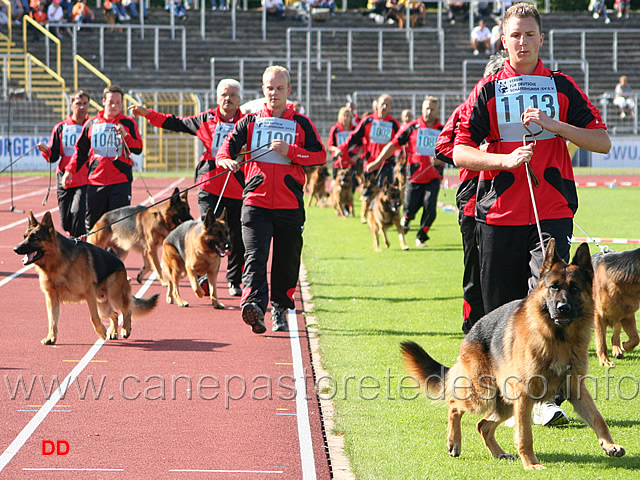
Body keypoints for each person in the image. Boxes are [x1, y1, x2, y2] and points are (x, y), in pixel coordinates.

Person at [452, 2, 610, 426]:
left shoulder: (561, 86)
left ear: (542, 39)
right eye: (514, 35)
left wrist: (556, 126)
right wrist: (503, 162)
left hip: (551, 212)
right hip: (499, 214)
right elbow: (458, 149)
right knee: (501, 308)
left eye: (529, 34)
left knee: (556, 299)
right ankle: (508, 390)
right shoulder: (487, 88)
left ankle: (547, 399)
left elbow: (602, 142)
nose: (522, 41)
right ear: (502, 41)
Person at [216, 66, 326, 334]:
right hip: (256, 202)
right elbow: (224, 150)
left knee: (286, 261)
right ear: (263, 89)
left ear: (289, 90)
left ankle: (280, 308)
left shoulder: (302, 123)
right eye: (269, 88)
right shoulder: (250, 121)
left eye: (279, 88)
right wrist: (226, 161)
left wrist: (292, 152)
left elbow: (320, 156)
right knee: (254, 256)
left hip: (290, 205)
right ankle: (253, 306)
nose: (274, 93)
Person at [130, 79, 246, 298]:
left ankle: (234, 279)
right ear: (217, 97)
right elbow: (175, 122)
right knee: (205, 230)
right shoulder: (205, 119)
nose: (227, 99)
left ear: (239, 99)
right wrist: (147, 114)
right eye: (223, 95)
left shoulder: (247, 122)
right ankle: (202, 275)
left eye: (232, 95)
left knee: (235, 236)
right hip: (209, 184)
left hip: (236, 186)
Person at [435, 51, 507, 334]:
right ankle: (473, 327)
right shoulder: (468, 107)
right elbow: (441, 147)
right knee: (476, 267)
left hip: (512, 194)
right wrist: (478, 152)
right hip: (474, 194)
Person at [63, 84, 143, 232]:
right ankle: (95, 255)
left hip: (120, 182)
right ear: (104, 101)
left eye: (118, 103)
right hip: (95, 182)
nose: (114, 105)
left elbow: (138, 148)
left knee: (120, 229)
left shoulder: (128, 123)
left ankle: (113, 256)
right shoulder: (91, 124)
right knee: (94, 228)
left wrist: (126, 135)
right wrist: (69, 170)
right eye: (111, 102)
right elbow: (80, 151)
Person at [368, 96, 443, 248]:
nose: (429, 112)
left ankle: (421, 236)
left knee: (430, 207)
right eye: (426, 108)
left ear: (438, 111)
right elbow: (393, 145)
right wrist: (377, 161)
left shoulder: (442, 130)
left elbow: (452, 151)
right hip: (414, 177)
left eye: (432, 109)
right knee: (409, 207)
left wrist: (442, 160)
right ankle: (407, 219)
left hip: (433, 176)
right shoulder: (411, 127)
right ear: (421, 109)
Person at [37, 90, 91, 238]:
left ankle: (79, 245)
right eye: (78, 103)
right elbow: (53, 156)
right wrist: (45, 150)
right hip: (64, 178)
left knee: (78, 213)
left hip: (85, 178)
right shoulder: (61, 128)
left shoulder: (92, 126)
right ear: (71, 105)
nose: (81, 107)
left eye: (85, 104)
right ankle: (74, 238)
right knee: (66, 222)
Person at [337, 93, 400, 188]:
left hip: (385, 163)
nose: (384, 107)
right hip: (369, 162)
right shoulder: (368, 120)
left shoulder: (394, 124)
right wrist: (342, 148)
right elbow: (354, 136)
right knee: (368, 193)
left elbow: (399, 143)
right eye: (382, 104)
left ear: (390, 107)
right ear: (377, 105)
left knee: (383, 191)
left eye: (387, 105)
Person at [328, 106, 358, 183]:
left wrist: (357, 156)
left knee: (352, 184)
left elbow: (361, 145)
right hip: (339, 161)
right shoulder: (335, 129)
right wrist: (337, 150)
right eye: (344, 115)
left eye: (348, 116)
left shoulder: (355, 129)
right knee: (336, 183)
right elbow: (330, 146)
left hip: (351, 160)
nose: (345, 118)